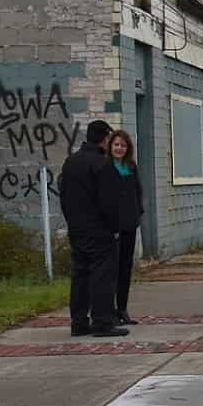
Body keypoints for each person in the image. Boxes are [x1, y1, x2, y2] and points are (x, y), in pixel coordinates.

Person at [58, 119, 128, 337]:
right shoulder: (102, 164)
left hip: (77, 229)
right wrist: (115, 227)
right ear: (105, 139)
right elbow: (109, 201)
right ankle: (102, 322)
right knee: (102, 276)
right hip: (99, 231)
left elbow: (63, 195)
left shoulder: (71, 162)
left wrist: (72, 221)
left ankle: (78, 322)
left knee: (80, 276)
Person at [106, 128, 145, 326]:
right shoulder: (105, 167)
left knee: (125, 267)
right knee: (112, 268)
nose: (119, 148)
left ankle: (122, 308)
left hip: (130, 224)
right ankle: (110, 310)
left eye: (123, 145)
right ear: (110, 146)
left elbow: (138, 191)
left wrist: (138, 212)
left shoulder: (131, 167)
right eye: (116, 145)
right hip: (112, 227)